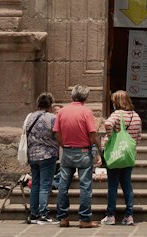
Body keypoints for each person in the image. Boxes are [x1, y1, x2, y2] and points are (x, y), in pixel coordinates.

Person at [55, 85, 104, 230]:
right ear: (85, 97)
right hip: (83, 152)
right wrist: (98, 150)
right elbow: (92, 134)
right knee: (85, 187)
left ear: (72, 96)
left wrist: (63, 144)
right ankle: (84, 218)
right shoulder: (86, 112)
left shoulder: (62, 111)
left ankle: (63, 217)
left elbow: (56, 132)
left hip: (67, 152)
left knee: (63, 185)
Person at [101, 90, 143, 227]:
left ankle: (111, 215)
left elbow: (108, 124)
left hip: (115, 154)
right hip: (128, 155)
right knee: (127, 184)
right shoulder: (136, 116)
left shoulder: (117, 114)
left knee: (112, 185)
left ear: (116, 102)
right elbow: (138, 137)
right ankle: (129, 215)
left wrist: (111, 136)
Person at [23, 92, 58, 225]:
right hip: (47, 155)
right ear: (50, 104)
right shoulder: (52, 118)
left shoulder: (30, 117)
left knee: (35, 184)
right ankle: (43, 214)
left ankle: (34, 213)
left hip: (32, 155)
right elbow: (57, 135)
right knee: (45, 185)